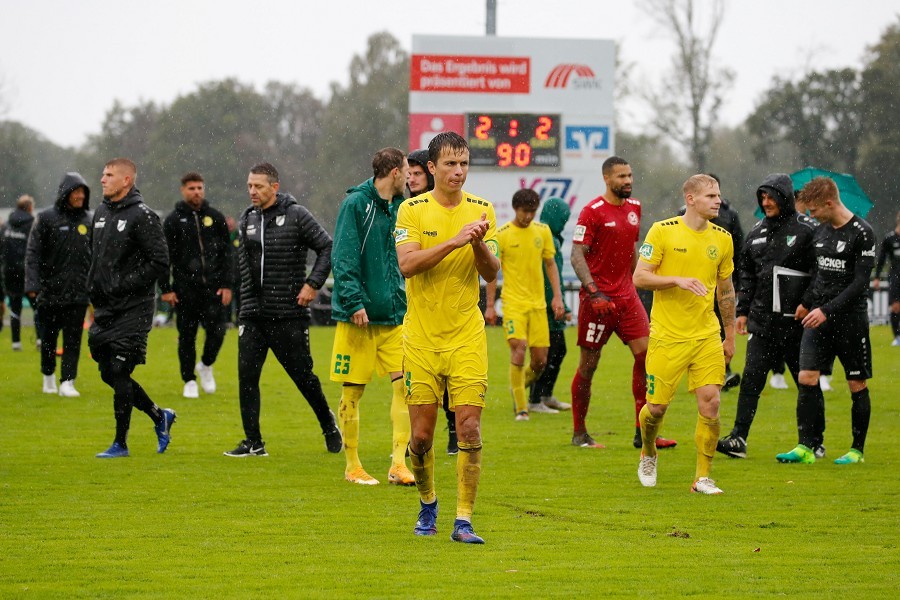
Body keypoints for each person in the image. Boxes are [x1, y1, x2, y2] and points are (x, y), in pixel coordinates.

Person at [395, 131, 500, 544]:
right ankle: (427, 502)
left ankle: (464, 519)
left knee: (469, 428)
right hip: (420, 337)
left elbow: (491, 273)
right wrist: (456, 240)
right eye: (450, 164)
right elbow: (408, 265)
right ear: (432, 167)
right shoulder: (412, 210)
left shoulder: (482, 209)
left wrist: (477, 246)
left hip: (466, 336)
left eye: (464, 164)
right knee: (420, 436)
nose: (458, 172)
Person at [224, 162, 341, 457]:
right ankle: (253, 441)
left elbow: (328, 247)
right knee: (246, 376)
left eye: (258, 186)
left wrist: (313, 283)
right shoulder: (247, 218)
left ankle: (328, 424)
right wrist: (240, 300)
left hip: (288, 313)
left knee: (303, 377)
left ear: (274, 187)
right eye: (249, 185)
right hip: (252, 314)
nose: (252, 191)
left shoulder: (296, 215)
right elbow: (241, 265)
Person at [633, 174, 735, 495]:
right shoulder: (662, 231)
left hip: (706, 334)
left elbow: (727, 291)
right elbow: (640, 277)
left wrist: (730, 335)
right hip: (667, 335)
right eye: (710, 196)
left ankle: (702, 477)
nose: (717, 201)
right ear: (691, 199)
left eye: (718, 195)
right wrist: (676, 280)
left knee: (711, 402)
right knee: (656, 409)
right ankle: (649, 451)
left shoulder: (723, 239)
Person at [570, 157, 677, 450]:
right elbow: (576, 255)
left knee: (646, 356)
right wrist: (594, 292)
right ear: (607, 178)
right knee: (589, 366)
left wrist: (637, 282)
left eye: (630, 175)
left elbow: (632, 250)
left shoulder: (635, 208)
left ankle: (641, 431)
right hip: (598, 300)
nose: (628, 180)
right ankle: (580, 433)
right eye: (621, 176)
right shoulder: (591, 212)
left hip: (627, 297)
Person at [716, 174, 821, 459]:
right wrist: (742, 310)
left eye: (771, 197)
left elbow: (820, 273)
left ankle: (814, 441)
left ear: (785, 197)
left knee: (805, 381)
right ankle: (738, 438)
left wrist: (807, 302)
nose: (766, 202)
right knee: (751, 380)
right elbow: (747, 274)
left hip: (797, 323)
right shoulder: (756, 231)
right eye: (762, 197)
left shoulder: (808, 229)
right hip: (762, 323)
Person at [775, 176, 876, 465]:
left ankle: (856, 450)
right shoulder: (820, 233)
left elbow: (859, 284)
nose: (811, 216)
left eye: (814, 211)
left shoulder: (862, 232)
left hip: (850, 321)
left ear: (829, 203)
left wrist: (826, 310)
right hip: (819, 319)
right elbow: (821, 276)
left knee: (856, 383)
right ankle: (807, 446)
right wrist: (806, 303)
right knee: (807, 377)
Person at [331, 148, 414, 486]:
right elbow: (343, 255)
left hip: (394, 316)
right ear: (394, 172)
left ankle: (398, 463)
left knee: (406, 387)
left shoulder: (401, 208)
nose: (410, 177)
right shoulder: (355, 204)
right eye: (407, 170)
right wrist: (353, 302)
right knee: (353, 393)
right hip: (359, 319)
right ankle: (352, 465)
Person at [89, 158, 175, 458]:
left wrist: (125, 284)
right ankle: (158, 416)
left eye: (109, 175)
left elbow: (160, 262)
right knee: (107, 373)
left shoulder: (144, 216)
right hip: (105, 308)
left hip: (134, 308)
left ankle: (120, 444)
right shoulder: (99, 213)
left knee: (119, 368)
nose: (102, 179)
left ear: (127, 181)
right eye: (102, 174)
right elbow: (95, 258)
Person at [485, 189, 564, 421]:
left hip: (538, 305)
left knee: (540, 361)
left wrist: (557, 296)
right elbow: (492, 272)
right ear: (515, 209)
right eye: (524, 211)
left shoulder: (543, 232)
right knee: (518, 347)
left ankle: (517, 384)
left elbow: (550, 265)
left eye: (532, 212)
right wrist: (490, 305)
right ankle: (521, 408)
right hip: (513, 304)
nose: (528, 216)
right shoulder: (503, 234)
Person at [159, 172, 234, 398]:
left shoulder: (216, 217)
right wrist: (166, 288)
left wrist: (228, 284)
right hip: (185, 291)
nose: (197, 192)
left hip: (214, 289)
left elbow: (227, 254)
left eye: (200, 188)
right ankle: (189, 379)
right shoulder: (173, 221)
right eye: (192, 188)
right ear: (183, 190)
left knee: (218, 332)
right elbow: (165, 258)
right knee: (187, 337)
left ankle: (206, 365)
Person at [407, 148, 458, 455]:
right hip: (417, 309)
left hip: (454, 308)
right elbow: (404, 261)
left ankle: (454, 430)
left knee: (455, 381)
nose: (411, 178)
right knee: (410, 384)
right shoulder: (408, 209)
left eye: (416, 173)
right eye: (407, 173)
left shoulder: (456, 207)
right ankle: (410, 441)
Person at [24, 173, 92, 397]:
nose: (80, 196)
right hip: (50, 292)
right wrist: (33, 284)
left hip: (79, 292)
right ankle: (48, 376)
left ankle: (68, 382)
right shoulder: (46, 219)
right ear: (66, 193)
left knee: (74, 339)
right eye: (76, 191)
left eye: (83, 192)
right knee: (49, 340)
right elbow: (33, 254)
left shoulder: (88, 221)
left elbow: (97, 257)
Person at [529, 197, 573, 412]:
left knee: (555, 351)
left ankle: (544, 395)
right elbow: (550, 277)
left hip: (543, 302)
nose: (564, 222)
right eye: (563, 218)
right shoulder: (549, 239)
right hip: (546, 307)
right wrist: (558, 302)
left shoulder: (546, 235)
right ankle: (535, 398)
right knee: (549, 352)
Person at [2, 194, 38, 350]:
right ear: (30, 207)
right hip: (27, 272)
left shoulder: (6, 226)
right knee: (37, 307)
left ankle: (16, 343)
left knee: (15, 308)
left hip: (9, 273)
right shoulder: (32, 225)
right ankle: (40, 341)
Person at [874, 210, 900, 346]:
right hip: (895, 278)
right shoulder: (889, 239)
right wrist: (877, 277)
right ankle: (897, 337)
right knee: (895, 307)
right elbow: (882, 260)